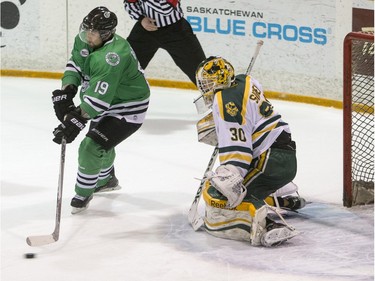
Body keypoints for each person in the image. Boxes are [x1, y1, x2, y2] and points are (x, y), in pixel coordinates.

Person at [195, 56, 306, 247]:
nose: (205, 88)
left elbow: (239, 153)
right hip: (281, 156)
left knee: (218, 196)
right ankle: (283, 199)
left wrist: (228, 175)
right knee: (242, 187)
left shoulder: (223, 101)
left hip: (269, 161)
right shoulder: (245, 80)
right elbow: (248, 117)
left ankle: (267, 225)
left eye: (207, 83)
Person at [51, 7, 150, 214]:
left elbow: (97, 103)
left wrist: (75, 119)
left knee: (91, 146)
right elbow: (76, 64)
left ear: (106, 34)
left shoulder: (111, 57)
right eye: (86, 29)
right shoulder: (85, 39)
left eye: (93, 32)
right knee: (102, 141)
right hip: (107, 100)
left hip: (127, 107)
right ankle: (106, 179)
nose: (88, 35)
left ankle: (83, 192)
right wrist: (68, 89)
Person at [123, 0, 206, 86]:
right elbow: (129, 3)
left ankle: (217, 97)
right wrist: (141, 18)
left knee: (203, 73)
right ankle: (117, 97)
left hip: (176, 30)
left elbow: (166, 9)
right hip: (145, 30)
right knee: (124, 69)